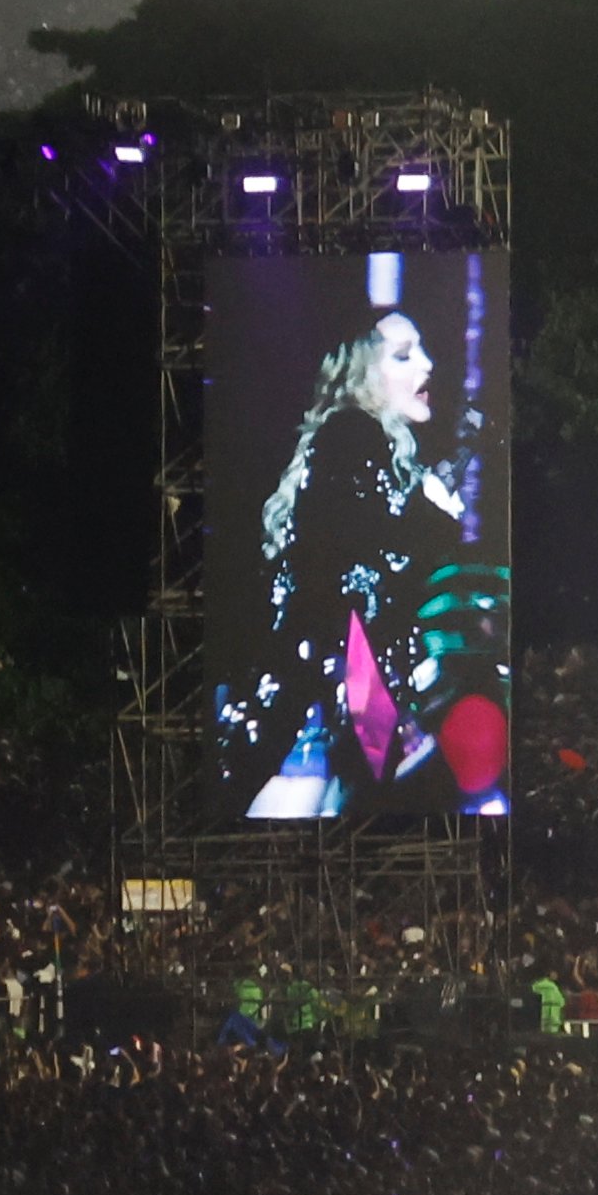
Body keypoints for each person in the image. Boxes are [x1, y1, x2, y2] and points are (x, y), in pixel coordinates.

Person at [223, 305, 501, 819]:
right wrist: (430, 514)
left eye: (421, 349)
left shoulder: (361, 446)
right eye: (403, 355)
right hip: (320, 708)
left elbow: (365, 568)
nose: (428, 365)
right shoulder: (353, 434)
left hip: (333, 704)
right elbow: (348, 582)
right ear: (363, 373)